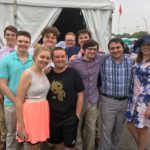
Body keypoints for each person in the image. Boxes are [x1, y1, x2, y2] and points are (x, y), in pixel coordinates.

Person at [69, 39, 108, 150]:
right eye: (89, 49)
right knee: (77, 127)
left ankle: (89, 148)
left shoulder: (99, 58)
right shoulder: (74, 62)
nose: (92, 51)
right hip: (78, 101)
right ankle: (78, 147)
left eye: (94, 49)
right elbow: (62, 67)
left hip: (93, 100)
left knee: (91, 128)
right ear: (83, 50)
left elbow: (113, 54)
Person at [0, 31, 33, 150]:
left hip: (30, 104)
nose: (23, 44)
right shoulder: (6, 60)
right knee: (13, 134)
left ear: (29, 43)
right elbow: (2, 84)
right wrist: (16, 101)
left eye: (26, 42)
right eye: (20, 41)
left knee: (27, 134)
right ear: (15, 42)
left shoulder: (34, 60)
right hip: (11, 103)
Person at [46, 47, 84, 150]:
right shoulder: (47, 74)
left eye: (63, 56)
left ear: (66, 58)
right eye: (57, 57)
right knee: (57, 144)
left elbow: (80, 94)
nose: (60, 59)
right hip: (53, 118)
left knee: (70, 146)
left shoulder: (73, 73)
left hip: (70, 117)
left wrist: (77, 115)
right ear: (52, 59)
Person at [99, 38, 133, 150]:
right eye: (112, 48)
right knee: (106, 130)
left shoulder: (131, 61)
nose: (115, 50)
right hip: (108, 101)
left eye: (118, 47)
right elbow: (87, 57)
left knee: (118, 130)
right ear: (108, 50)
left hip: (124, 102)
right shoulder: (102, 60)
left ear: (123, 48)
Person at [16, 46, 51, 150]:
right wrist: (21, 127)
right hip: (31, 113)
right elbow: (18, 101)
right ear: (35, 57)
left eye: (48, 58)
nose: (45, 60)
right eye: (42, 57)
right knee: (32, 146)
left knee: (38, 145)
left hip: (42, 113)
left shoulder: (42, 72)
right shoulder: (27, 74)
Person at [126, 35, 150, 150]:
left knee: (143, 128)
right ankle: (143, 148)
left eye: (148, 45)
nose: (146, 47)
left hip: (145, 101)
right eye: (143, 45)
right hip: (133, 99)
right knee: (130, 125)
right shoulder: (138, 60)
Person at [0, 25, 17, 150]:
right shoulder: (1, 53)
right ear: (4, 36)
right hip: (3, 87)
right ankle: (3, 140)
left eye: (13, 35)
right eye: (8, 35)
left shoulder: (23, 50)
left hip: (18, 88)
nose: (10, 37)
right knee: (3, 117)